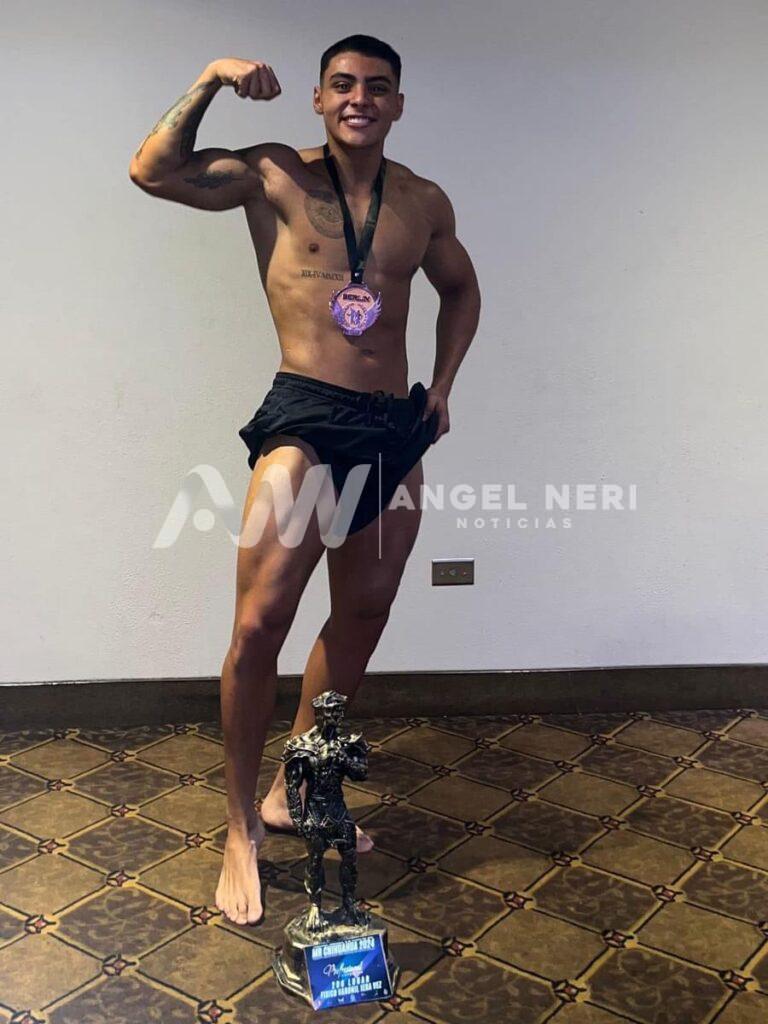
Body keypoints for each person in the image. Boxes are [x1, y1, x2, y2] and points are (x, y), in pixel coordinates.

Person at [129, 34, 481, 926]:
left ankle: (293, 787)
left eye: (378, 86)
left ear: (398, 104)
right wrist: (210, 78)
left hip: (392, 425)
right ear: (319, 100)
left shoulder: (423, 201)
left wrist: (441, 387)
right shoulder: (273, 174)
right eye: (343, 84)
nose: (360, 98)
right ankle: (239, 825)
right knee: (259, 624)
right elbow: (152, 171)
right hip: (306, 415)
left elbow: (462, 290)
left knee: (364, 613)